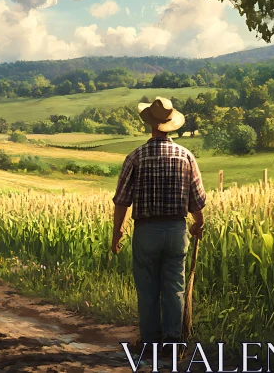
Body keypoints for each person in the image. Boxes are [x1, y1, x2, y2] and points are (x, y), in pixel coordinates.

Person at [110, 96, 207, 354]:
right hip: (176, 230)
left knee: (148, 288)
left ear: (150, 124)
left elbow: (122, 200)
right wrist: (198, 224)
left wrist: (117, 232)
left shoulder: (135, 157)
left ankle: (150, 342)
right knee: (175, 286)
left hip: (146, 231)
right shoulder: (186, 157)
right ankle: (173, 341)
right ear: (171, 125)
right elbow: (197, 201)